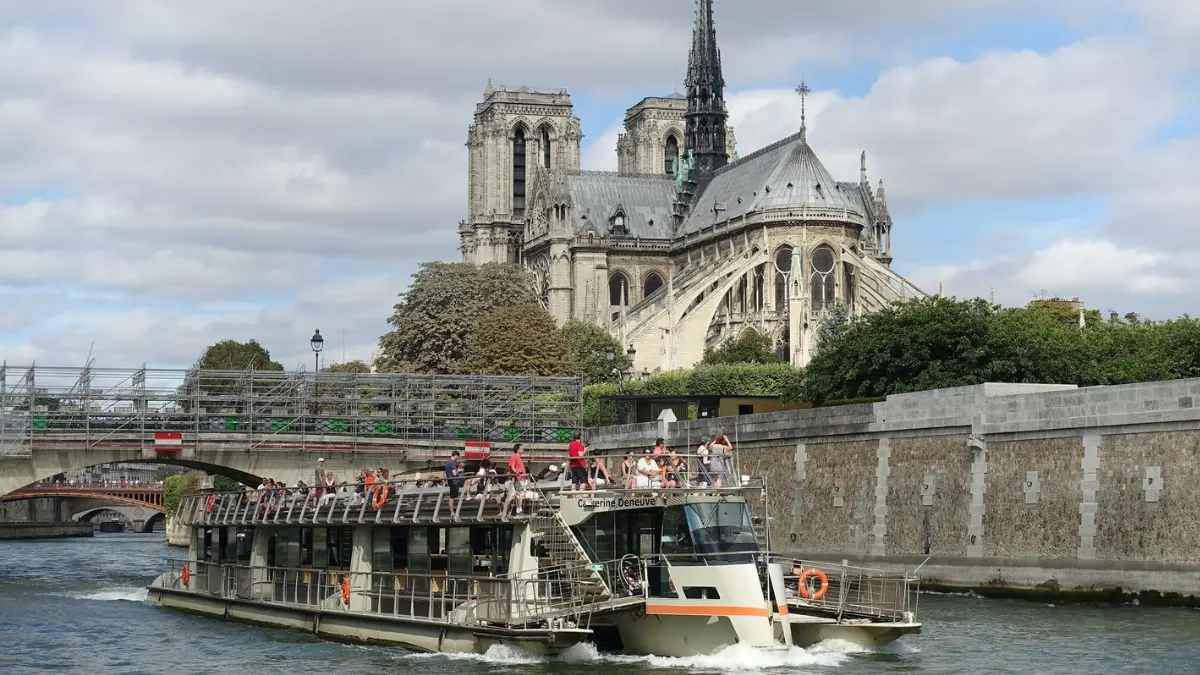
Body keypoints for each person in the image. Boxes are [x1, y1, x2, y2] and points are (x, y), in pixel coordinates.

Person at [445, 451, 463, 519]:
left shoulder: (448, 462)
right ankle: (468, 496)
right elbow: (454, 474)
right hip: (455, 482)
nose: (457, 459)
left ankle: (452, 512)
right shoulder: (452, 463)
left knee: (452, 497)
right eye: (457, 457)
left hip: (451, 482)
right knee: (469, 481)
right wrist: (459, 470)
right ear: (456, 456)